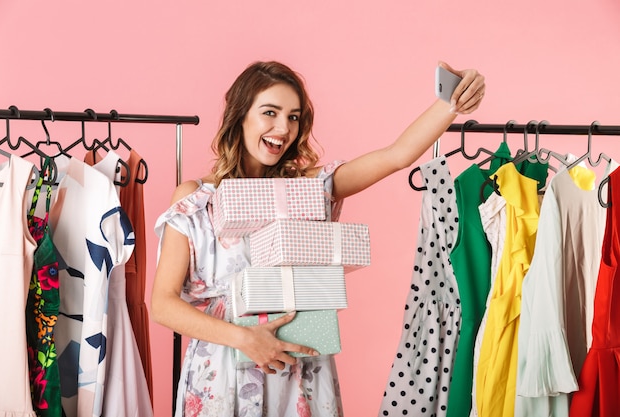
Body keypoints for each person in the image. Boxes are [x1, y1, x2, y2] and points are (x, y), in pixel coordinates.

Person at [151, 60, 485, 416]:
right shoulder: (198, 199)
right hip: (223, 371)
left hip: (302, 366)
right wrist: (246, 339)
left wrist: (452, 103)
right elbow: (163, 303)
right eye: (270, 112)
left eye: (294, 117)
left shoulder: (308, 189)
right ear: (240, 115)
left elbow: (396, 155)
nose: (283, 128)